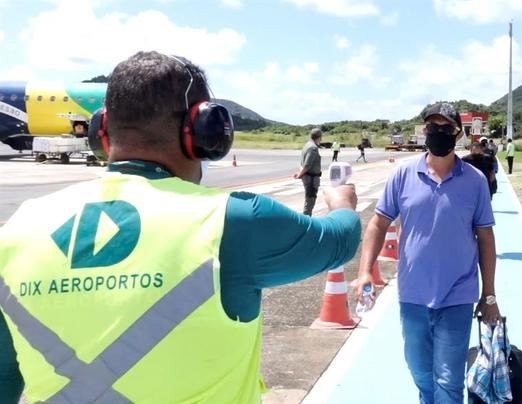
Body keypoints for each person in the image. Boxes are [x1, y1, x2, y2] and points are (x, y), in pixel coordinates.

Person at [0, 51, 361, 404]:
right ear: (204, 131)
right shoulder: (231, 222)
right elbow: (339, 241)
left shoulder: (16, 231)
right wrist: (343, 202)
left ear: (101, 131)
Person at [356, 102, 501, 404]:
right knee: (420, 372)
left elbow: (486, 238)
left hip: (458, 295)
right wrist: (364, 271)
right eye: (431, 127)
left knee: (448, 380)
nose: (437, 133)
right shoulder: (403, 175)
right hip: (413, 294)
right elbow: (378, 222)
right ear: (424, 131)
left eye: (445, 128)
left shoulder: (474, 182)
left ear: (457, 133)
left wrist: (489, 296)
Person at [294, 128, 323, 216]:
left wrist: (301, 173)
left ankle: (306, 220)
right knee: (310, 201)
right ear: (319, 137)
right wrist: (300, 174)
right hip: (311, 179)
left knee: (309, 200)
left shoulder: (307, 145)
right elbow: (307, 164)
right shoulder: (313, 148)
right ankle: (306, 223)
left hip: (308, 176)